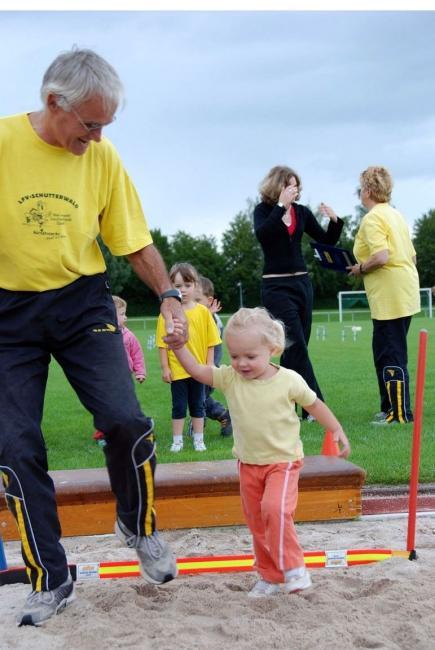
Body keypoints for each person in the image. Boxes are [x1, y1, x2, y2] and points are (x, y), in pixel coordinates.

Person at [0, 47, 188, 627]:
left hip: (82, 303)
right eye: (90, 124)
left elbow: (133, 239)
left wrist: (169, 295)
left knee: (126, 419)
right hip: (7, 316)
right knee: (13, 447)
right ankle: (49, 579)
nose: (99, 137)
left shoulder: (102, 160)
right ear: (54, 103)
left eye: (106, 125)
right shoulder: (5, 144)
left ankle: (138, 525)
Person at [169, 307, 350, 597]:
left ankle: (294, 568)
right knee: (257, 523)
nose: (241, 363)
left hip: (284, 462)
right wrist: (179, 349)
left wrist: (336, 429)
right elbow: (198, 371)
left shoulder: (289, 379)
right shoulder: (230, 378)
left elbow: (314, 405)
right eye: (235, 356)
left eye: (250, 356)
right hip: (248, 464)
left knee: (275, 510)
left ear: (272, 349)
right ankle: (270, 577)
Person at [254, 165, 344, 420]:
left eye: (296, 186)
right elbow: (264, 235)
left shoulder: (301, 212)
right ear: (277, 187)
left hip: (302, 285)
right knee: (297, 346)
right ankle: (316, 406)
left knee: (296, 347)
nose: (294, 190)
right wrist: (281, 207)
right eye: (289, 185)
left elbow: (326, 241)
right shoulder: (263, 211)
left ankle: (289, 402)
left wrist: (335, 221)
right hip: (276, 287)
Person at [347, 166, 420, 425]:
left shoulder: (373, 218)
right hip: (403, 290)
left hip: (391, 295)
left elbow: (381, 256)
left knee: (391, 353)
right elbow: (412, 256)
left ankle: (399, 413)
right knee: (384, 350)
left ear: (367, 190)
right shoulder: (395, 215)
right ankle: (388, 406)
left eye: (360, 188)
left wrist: (360, 268)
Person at [156, 263, 221, 452]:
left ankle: (198, 440)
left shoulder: (203, 313)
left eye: (187, 285)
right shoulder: (167, 312)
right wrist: (165, 368)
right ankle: (177, 441)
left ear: (196, 286)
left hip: (199, 370)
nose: (182, 290)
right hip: (177, 370)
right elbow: (162, 344)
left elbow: (212, 341)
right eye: (177, 286)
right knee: (178, 406)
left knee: (198, 405)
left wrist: (209, 365)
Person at [93, 295, 146, 446]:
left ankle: (124, 431)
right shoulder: (102, 334)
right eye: (122, 314)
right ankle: (102, 434)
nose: (126, 317)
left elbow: (137, 355)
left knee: (124, 404)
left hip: (124, 377)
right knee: (105, 405)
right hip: (106, 377)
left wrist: (140, 372)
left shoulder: (129, 336)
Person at [196, 276, 233, 437]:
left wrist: (208, 316)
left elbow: (209, 340)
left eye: (198, 300)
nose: (193, 304)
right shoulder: (196, 315)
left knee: (198, 397)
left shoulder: (212, 319)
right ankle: (223, 415)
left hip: (209, 368)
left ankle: (198, 426)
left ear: (209, 301)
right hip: (196, 366)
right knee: (199, 396)